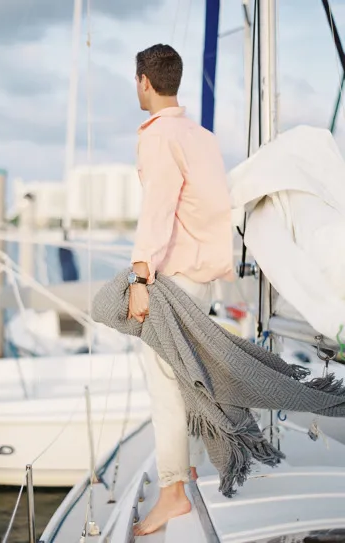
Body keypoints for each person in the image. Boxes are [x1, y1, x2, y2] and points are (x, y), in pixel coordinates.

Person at [128, 43, 234, 536]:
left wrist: (140, 276)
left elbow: (158, 209)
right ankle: (187, 469)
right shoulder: (203, 137)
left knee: (165, 380)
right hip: (204, 277)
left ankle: (172, 492)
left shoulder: (159, 136)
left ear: (144, 82)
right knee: (187, 376)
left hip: (174, 277)